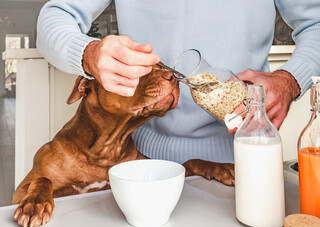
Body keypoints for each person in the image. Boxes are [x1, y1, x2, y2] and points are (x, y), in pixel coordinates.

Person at [36, 0, 320, 168]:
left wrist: (290, 79)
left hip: (246, 159)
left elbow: (316, 23)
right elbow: (55, 16)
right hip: (139, 160)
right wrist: (88, 54)